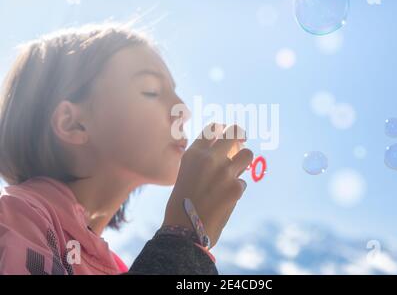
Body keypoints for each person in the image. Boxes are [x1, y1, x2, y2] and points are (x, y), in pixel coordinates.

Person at [0, 23, 253, 274]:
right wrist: (183, 238)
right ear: (73, 123)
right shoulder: (13, 219)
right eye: (151, 91)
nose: (183, 111)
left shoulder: (116, 268)